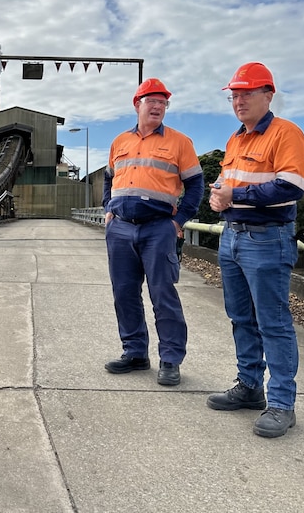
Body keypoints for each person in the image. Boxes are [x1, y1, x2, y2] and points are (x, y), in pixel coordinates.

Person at [207, 62, 304, 438]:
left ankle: (281, 403)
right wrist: (218, 195)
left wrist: (237, 195)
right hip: (232, 236)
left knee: (273, 322)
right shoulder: (236, 139)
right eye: (235, 95)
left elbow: (291, 187)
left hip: (268, 239)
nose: (239, 101)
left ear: (269, 94)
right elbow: (227, 180)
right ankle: (250, 386)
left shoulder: (286, 134)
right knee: (240, 317)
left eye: (247, 93)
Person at [102, 78, 204, 386]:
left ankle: (170, 359)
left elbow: (196, 184)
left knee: (163, 294)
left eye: (163, 102)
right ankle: (134, 353)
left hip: (159, 228)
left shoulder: (179, 142)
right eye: (152, 101)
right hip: (120, 228)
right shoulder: (119, 142)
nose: (158, 106)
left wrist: (179, 220)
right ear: (138, 105)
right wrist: (108, 207)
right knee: (124, 294)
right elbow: (109, 178)